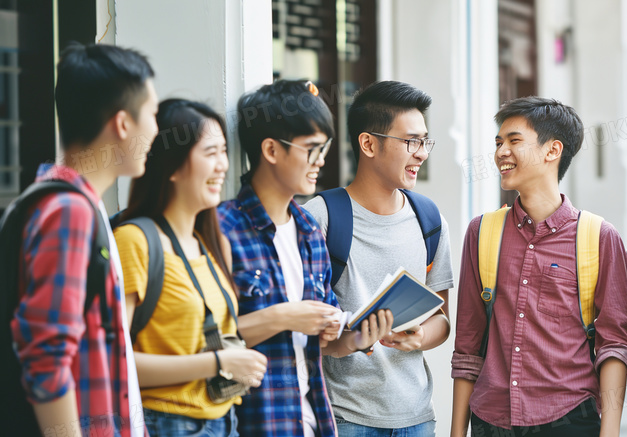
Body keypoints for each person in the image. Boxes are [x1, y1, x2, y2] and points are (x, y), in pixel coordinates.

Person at [451, 97, 627, 437]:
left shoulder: (598, 237)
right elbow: (467, 346)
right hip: (491, 421)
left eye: (514, 141)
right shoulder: (482, 232)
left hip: (568, 420)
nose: (501, 152)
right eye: (498, 142)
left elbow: (614, 347)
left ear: (553, 151)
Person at [218, 79, 391, 437]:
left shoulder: (310, 231)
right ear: (271, 149)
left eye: (324, 148)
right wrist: (284, 317)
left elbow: (325, 342)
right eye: (311, 149)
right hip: (254, 423)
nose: (321, 161)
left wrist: (357, 337)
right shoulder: (222, 229)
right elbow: (204, 341)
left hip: (312, 422)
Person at [8, 42, 157, 437]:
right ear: (123, 124)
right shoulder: (69, 213)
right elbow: (46, 359)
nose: (158, 130)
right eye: (153, 115)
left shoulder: (69, 204)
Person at [303, 80, 455, 436]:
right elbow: (303, 325)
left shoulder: (429, 220)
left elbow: (443, 319)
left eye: (424, 141)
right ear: (368, 143)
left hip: (417, 417)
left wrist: (418, 337)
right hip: (344, 417)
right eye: (410, 142)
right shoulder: (320, 218)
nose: (421, 153)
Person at [114, 99, 267, 436]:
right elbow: (114, 362)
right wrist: (219, 363)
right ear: (171, 165)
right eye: (210, 153)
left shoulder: (212, 245)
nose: (222, 165)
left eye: (224, 151)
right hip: (165, 423)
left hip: (224, 421)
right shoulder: (134, 242)